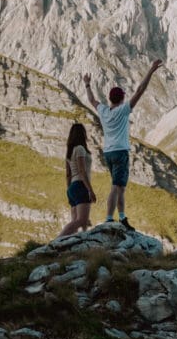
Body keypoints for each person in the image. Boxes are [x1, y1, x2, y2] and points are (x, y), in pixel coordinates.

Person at [84, 59, 164, 231]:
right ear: (121, 99)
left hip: (108, 153)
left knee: (120, 186)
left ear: (110, 99)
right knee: (116, 186)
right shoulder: (123, 110)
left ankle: (122, 218)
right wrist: (150, 70)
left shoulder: (104, 111)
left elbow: (91, 100)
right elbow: (140, 91)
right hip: (120, 152)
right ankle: (109, 218)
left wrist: (87, 84)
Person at [57, 122, 97, 237]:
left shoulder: (69, 152)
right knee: (81, 221)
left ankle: (64, 246)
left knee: (75, 221)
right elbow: (82, 171)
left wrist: (69, 190)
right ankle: (56, 242)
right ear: (82, 134)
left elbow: (68, 175)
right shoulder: (80, 149)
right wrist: (90, 190)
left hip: (72, 188)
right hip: (80, 185)